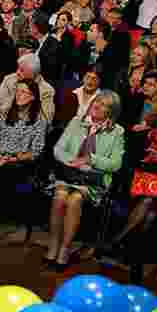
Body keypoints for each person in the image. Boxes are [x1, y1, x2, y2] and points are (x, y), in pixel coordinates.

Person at [99, 99, 157, 259]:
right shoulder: (140, 137)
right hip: (135, 184)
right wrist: (138, 175)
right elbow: (126, 165)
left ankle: (117, 241)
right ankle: (131, 253)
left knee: (150, 202)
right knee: (150, 213)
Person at [47, 92, 126, 270]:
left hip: (93, 180)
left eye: (103, 104)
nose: (97, 106)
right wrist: (72, 161)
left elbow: (116, 164)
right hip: (69, 175)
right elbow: (58, 149)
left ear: (111, 112)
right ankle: (53, 244)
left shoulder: (117, 132)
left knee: (74, 199)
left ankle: (65, 250)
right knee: (60, 196)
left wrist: (91, 159)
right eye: (96, 101)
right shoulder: (77, 122)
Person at [0, 79, 49, 251]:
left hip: (21, 163)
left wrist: (12, 159)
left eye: (24, 92)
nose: (19, 95)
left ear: (33, 97)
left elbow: (36, 152)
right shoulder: (4, 114)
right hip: (0, 160)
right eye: (17, 91)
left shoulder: (39, 122)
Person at [0, 53, 56, 123]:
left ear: (33, 73)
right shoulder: (9, 80)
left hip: (28, 131)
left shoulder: (46, 90)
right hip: (2, 125)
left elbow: (46, 121)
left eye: (22, 70)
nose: (17, 72)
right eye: (18, 68)